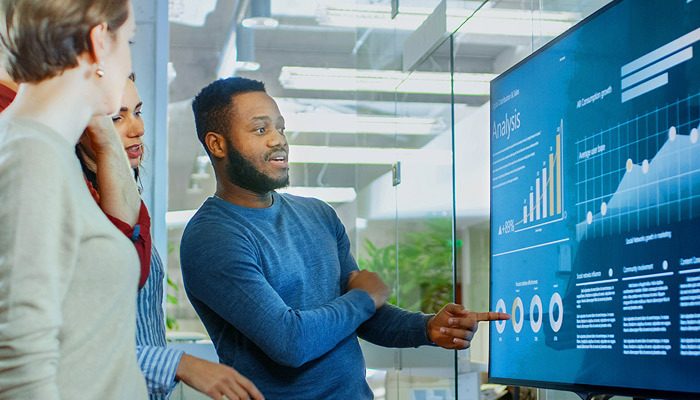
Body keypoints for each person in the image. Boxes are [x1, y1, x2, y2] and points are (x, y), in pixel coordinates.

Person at [180, 77, 510, 399]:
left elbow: (360, 315)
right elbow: (291, 342)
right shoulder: (212, 237)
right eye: (260, 129)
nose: (278, 139)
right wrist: (364, 298)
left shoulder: (318, 215)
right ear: (217, 144)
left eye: (280, 127)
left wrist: (426, 328)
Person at [77, 74, 264, 400]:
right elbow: (78, 343)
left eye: (138, 111)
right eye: (116, 118)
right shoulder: (73, 208)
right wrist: (182, 364)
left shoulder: (123, 197)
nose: (137, 129)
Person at [0, 0, 147, 398]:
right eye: (128, 40)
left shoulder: (42, 149)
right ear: (100, 41)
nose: (129, 59)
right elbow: (19, 368)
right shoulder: (30, 157)